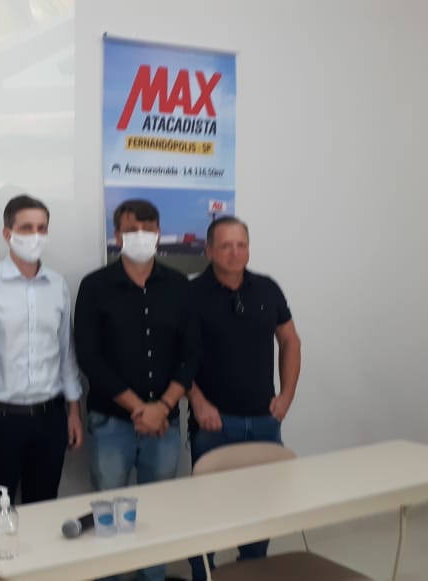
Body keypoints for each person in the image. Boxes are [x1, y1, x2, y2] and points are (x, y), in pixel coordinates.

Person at [74, 199, 199, 581]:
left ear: (159, 234)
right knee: (107, 514)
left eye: (148, 230)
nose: (141, 236)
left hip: (165, 423)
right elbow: (89, 356)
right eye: (132, 230)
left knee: (156, 514)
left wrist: (163, 406)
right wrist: (139, 409)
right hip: (111, 422)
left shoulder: (179, 286)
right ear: (117, 235)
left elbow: (192, 353)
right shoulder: (94, 286)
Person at [186, 216, 302, 581]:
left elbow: (290, 340)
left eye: (241, 245)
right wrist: (197, 402)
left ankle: (251, 572)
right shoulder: (191, 294)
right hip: (214, 423)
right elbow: (178, 356)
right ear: (209, 250)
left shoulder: (267, 289)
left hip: (264, 421)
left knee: (260, 509)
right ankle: (205, 575)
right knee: (207, 511)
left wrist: (286, 395)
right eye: (225, 246)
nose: (235, 253)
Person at [0, 194, 83, 509]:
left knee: (44, 507)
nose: (35, 236)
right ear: (8, 233)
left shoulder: (57, 284)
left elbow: (65, 351)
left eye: (42, 228)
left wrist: (74, 411)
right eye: (27, 228)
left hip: (50, 418)